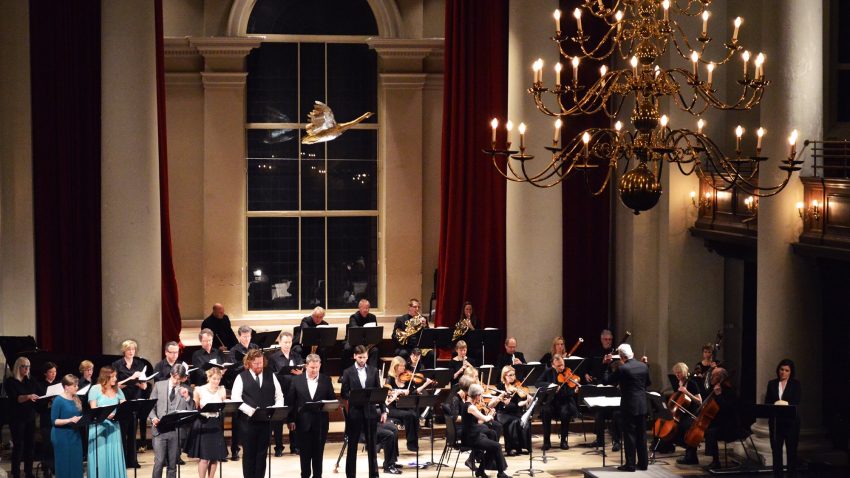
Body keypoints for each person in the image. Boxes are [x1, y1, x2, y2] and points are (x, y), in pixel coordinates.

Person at [230, 348, 284, 478]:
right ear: (248, 363)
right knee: (249, 454)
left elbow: (279, 396)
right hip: (247, 423)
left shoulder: (270, 375)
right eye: (256, 363)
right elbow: (235, 398)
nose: (259, 366)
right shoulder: (241, 377)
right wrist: (249, 409)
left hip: (265, 422)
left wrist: (275, 408)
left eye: (261, 362)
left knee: (262, 454)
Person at [340, 345, 388, 478]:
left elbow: (379, 392)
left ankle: (374, 475)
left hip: (370, 412)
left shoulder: (373, 371)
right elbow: (344, 393)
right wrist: (355, 397)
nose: (362, 360)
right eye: (360, 357)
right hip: (355, 413)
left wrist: (383, 411)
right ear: (355, 356)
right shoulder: (348, 372)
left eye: (365, 357)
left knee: (372, 446)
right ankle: (350, 475)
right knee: (352, 446)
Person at [285, 353, 335, 478]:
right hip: (303, 423)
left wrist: (330, 405)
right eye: (312, 367)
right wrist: (290, 420)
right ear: (306, 366)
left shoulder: (326, 380)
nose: (314, 370)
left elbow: (332, 400)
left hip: (320, 423)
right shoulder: (296, 380)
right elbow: (290, 402)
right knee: (305, 455)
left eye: (317, 367)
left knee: (318, 454)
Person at [603, 344, 651, 472]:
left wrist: (607, 365)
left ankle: (630, 465)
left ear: (622, 357)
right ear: (632, 354)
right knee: (641, 435)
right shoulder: (644, 366)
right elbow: (648, 384)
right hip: (642, 405)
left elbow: (607, 380)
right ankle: (643, 463)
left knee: (630, 435)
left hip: (629, 405)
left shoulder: (623, 369)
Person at [149, 364, 193, 478]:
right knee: (159, 462)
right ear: (171, 374)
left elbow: (191, 410)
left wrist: (187, 397)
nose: (176, 381)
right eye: (174, 378)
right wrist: (154, 418)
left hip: (176, 432)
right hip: (159, 431)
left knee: (172, 465)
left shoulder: (186, 390)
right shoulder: (159, 386)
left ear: (183, 378)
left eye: (179, 379)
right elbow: (150, 407)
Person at [112, 339, 149, 466]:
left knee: (133, 432)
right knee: (122, 432)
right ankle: (121, 460)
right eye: (129, 349)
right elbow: (115, 385)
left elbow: (143, 386)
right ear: (124, 351)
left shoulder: (139, 364)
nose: (131, 351)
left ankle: (132, 460)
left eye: (133, 349)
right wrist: (131, 378)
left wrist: (142, 383)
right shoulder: (117, 364)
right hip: (122, 400)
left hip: (135, 400)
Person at [385, 355, 433, 452]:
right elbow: (388, 393)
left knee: (415, 415)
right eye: (401, 366)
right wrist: (400, 391)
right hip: (392, 408)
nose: (403, 368)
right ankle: (411, 444)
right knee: (410, 415)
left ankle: (412, 444)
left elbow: (413, 392)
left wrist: (425, 384)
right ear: (395, 367)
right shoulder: (389, 379)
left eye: (403, 366)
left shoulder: (406, 379)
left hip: (404, 406)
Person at [186, 367, 228, 478]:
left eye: (218, 379)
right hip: (204, 423)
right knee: (204, 457)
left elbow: (224, 406)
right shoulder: (199, 389)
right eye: (214, 379)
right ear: (208, 378)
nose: (216, 381)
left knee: (215, 456)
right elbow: (195, 407)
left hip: (216, 424)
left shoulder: (221, 389)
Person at [461, 384, 510, 478]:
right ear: (477, 395)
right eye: (481, 395)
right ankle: (500, 473)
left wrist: (489, 415)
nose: (481, 397)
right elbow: (485, 419)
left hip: (473, 434)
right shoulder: (471, 407)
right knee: (496, 446)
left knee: (493, 435)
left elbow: (479, 421)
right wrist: (491, 414)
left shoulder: (469, 405)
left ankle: (481, 471)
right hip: (471, 437)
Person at [268, 330, 303, 457]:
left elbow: (301, 369)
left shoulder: (296, 356)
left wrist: (300, 373)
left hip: (294, 392)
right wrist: (282, 372)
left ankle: (295, 446)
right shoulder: (273, 357)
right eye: (285, 342)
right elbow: (270, 375)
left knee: (294, 419)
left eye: (289, 342)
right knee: (278, 421)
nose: (287, 345)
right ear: (280, 342)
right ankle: (278, 447)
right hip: (280, 392)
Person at [585, 329, 621, 450]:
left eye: (610, 339)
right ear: (601, 339)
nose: (608, 341)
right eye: (606, 339)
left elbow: (619, 372)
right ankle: (599, 440)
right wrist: (602, 364)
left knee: (616, 414)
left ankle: (617, 441)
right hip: (602, 386)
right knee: (599, 414)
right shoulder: (595, 352)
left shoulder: (617, 354)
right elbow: (593, 370)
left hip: (615, 390)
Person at [226, 326, 259, 458]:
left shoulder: (254, 347)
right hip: (240, 384)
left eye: (248, 336)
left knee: (254, 417)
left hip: (254, 385)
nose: (246, 339)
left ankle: (251, 448)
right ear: (239, 336)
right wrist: (245, 365)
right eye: (244, 336)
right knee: (238, 419)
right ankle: (235, 449)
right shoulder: (234, 350)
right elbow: (232, 369)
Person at [87, 366, 126, 478]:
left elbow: (125, 407)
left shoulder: (117, 389)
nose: (115, 378)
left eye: (115, 376)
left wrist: (120, 413)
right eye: (113, 376)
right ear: (105, 376)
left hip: (114, 426)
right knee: (102, 456)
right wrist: (105, 414)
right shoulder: (95, 389)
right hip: (99, 427)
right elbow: (93, 409)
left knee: (114, 455)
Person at [765, 359, 801, 474]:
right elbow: (767, 402)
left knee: (791, 453)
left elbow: (796, 401)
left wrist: (784, 404)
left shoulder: (795, 384)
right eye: (781, 369)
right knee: (776, 452)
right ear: (778, 370)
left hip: (791, 423)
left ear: (791, 372)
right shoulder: (772, 383)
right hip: (776, 423)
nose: (783, 372)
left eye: (787, 370)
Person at [700, 367, 740, 469]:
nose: (711, 377)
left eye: (714, 375)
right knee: (707, 429)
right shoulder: (713, 389)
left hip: (729, 425)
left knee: (710, 432)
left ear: (720, 378)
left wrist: (718, 395)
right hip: (719, 422)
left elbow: (727, 410)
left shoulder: (729, 391)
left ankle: (716, 461)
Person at [536, 354, 578, 450]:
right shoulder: (548, 371)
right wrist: (551, 385)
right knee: (545, 411)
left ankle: (564, 441)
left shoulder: (567, 373)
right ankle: (546, 442)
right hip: (551, 402)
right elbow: (537, 383)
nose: (562, 367)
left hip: (564, 402)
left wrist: (573, 391)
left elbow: (570, 393)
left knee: (565, 412)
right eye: (559, 366)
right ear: (553, 365)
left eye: (562, 364)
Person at [5, 357, 38, 478]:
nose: (27, 369)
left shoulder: (30, 380)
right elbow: (16, 398)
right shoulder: (10, 381)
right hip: (17, 418)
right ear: (18, 367)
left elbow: (39, 392)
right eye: (24, 366)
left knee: (30, 445)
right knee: (18, 446)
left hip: (30, 416)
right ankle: (16, 473)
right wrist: (28, 396)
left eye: (28, 366)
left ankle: (29, 472)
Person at [670, 362, 703, 464]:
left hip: (692, 412)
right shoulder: (678, 384)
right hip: (682, 412)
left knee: (685, 426)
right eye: (676, 373)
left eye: (679, 372)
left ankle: (691, 455)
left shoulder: (692, 383)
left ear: (684, 372)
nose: (677, 375)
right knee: (675, 427)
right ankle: (688, 453)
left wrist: (686, 392)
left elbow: (699, 401)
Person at [51, 375, 83, 478]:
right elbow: (54, 421)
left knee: (76, 462)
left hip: (75, 434)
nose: (77, 387)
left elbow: (77, 415)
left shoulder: (76, 398)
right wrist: (69, 420)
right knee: (64, 463)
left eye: (77, 385)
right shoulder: (58, 400)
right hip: (61, 435)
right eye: (74, 386)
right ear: (66, 387)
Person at [495, 365, 530, 455]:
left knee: (524, 422)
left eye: (513, 375)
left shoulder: (517, 387)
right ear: (504, 376)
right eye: (510, 375)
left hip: (515, 412)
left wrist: (526, 400)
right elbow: (494, 401)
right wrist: (502, 400)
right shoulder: (499, 386)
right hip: (502, 413)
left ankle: (522, 447)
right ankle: (510, 448)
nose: (513, 377)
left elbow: (519, 403)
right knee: (513, 422)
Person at [36, 361, 59, 477]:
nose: (53, 374)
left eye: (55, 372)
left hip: (58, 418)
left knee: (56, 444)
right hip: (46, 418)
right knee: (47, 444)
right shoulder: (40, 385)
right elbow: (38, 406)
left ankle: (55, 467)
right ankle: (46, 469)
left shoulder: (59, 384)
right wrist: (49, 402)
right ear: (45, 373)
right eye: (51, 372)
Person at [343, 299, 379, 369]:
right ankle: (345, 372)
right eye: (363, 308)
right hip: (354, 342)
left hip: (367, 342)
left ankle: (372, 373)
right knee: (347, 349)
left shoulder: (372, 317)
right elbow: (355, 330)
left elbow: (375, 331)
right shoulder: (353, 317)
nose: (365, 310)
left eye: (367, 308)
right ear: (359, 308)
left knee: (375, 350)